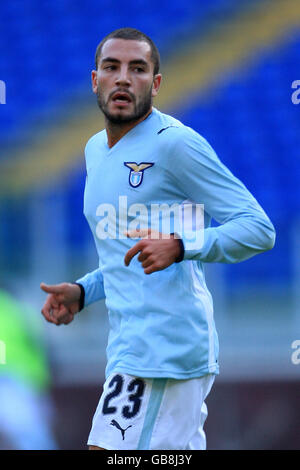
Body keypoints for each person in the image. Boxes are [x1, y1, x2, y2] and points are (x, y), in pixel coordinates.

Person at [40, 28, 276, 450]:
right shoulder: (95, 150)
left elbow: (258, 228)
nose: (124, 79)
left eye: (138, 68)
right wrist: (84, 291)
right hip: (129, 344)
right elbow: (125, 253)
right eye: (112, 68)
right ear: (95, 80)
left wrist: (182, 245)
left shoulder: (177, 145)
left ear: (157, 83)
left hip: (167, 347)